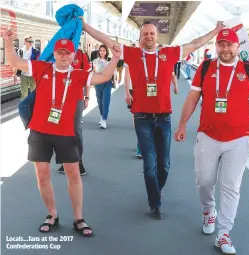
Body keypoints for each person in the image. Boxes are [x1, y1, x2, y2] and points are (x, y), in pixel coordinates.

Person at [79, 16, 225, 220]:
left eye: (152, 33)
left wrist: (216, 30)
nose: (149, 36)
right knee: (149, 165)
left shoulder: (169, 53)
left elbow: (195, 44)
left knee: (164, 165)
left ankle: (156, 189)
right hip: (142, 118)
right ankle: (155, 203)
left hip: (164, 118)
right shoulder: (132, 54)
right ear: (140, 37)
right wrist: (85, 25)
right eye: (145, 33)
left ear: (157, 36)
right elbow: (105, 39)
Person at [4, 28, 121, 236]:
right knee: (42, 176)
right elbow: (14, 62)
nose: (64, 56)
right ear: (55, 54)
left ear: (74, 55)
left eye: (68, 53)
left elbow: (104, 76)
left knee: (74, 174)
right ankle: (52, 214)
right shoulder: (42, 68)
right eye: (60, 52)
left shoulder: (78, 75)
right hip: (40, 131)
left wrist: (116, 58)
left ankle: (79, 218)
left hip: (66, 133)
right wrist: (8, 40)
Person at [174, 28, 249, 254]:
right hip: (208, 134)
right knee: (204, 181)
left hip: (240, 138)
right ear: (217, 46)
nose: (225, 48)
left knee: (231, 186)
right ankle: (209, 211)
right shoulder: (205, 68)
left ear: (237, 46)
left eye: (229, 44)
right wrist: (182, 124)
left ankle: (224, 233)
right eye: (221, 44)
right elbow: (192, 98)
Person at [57, 43, 91, 175]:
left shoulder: (81, 55)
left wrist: (87, 96)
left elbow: (87, 78)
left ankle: (79, 161)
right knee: (61, 130)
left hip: (76, 98)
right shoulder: (59, 53)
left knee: (76, 130)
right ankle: (66, 160)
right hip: (59, 100)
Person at [92, 44, 115, 129]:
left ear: (106, 52)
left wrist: (114, 80)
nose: (102, 52)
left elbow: (113, 72)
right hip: (98, 82)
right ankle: (102, 116)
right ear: (99, 51)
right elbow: (94, 72)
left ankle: (104, 119)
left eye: (104, 50)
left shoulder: (110, 61)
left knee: (106, 100)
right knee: (99, 100)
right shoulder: (95, 61)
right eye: (100, 50)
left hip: (107, 82)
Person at [14, 35, 40, 99]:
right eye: (29, 41)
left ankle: (32, 107)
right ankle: (23, 108)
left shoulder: (36, 52)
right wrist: (14, 75)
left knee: (33, 93)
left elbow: (39, 64)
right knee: (24, 94)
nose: (31, 43)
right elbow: (17, 63)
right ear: (25, 41)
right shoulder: (20, 51)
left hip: (33, 75)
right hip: (23, 75)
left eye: (32, 41)